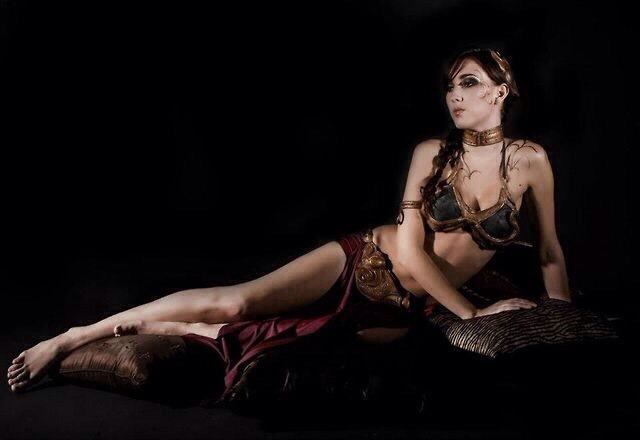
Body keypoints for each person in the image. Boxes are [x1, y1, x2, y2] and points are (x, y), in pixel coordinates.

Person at [7, 47, 571, 401]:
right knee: (240, 303)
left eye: (468, 83)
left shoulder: (531, 161)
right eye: (450, 85)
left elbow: (548, 251)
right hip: (366, 259)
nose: (454, 95)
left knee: (302, 350)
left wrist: (567, 318)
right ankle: (75, 336)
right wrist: (471, 313)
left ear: (501, 90)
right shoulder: (431, 152)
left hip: (411, 307)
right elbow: (412, 246)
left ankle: (184, 330)